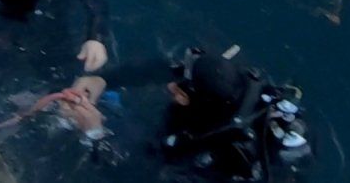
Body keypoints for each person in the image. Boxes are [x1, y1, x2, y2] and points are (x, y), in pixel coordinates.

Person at [57, 45, 311, 180]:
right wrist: (104, 79)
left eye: (179, 91)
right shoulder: (232, 84)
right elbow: (166, 70)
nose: (170, 86)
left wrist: (93, 133)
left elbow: (132, 177)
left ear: (195, 102)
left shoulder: (209, 149)